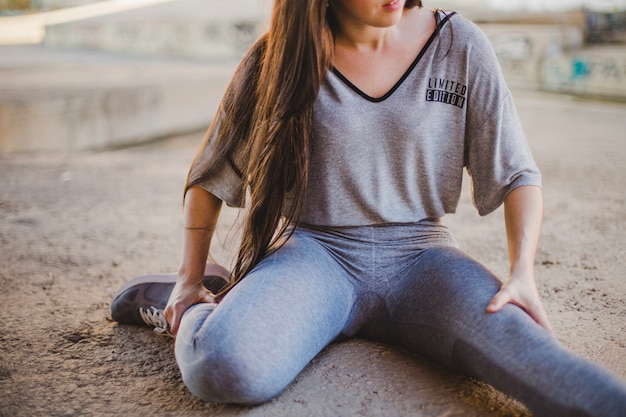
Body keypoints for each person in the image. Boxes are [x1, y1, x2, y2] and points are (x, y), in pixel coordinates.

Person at [110, 1, 626, 415]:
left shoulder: (459, 44)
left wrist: (521, 274)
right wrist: (188, 278)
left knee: (543, 362)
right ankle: (196, 308)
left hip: (423, 259)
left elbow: (517, 173)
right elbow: (210, 173)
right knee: (223, 369)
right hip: (317, 255)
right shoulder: (279, 57)